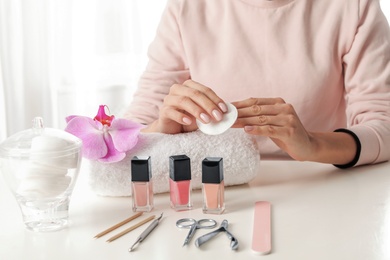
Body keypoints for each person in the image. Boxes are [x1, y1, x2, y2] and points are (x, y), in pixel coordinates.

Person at [124, 0, 390, 168]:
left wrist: (313, 145)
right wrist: (162, 129)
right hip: (216, 187)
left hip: (323, 181)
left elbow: (383, 125)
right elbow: (127, 134)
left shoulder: (355, 6)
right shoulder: (186, 7)